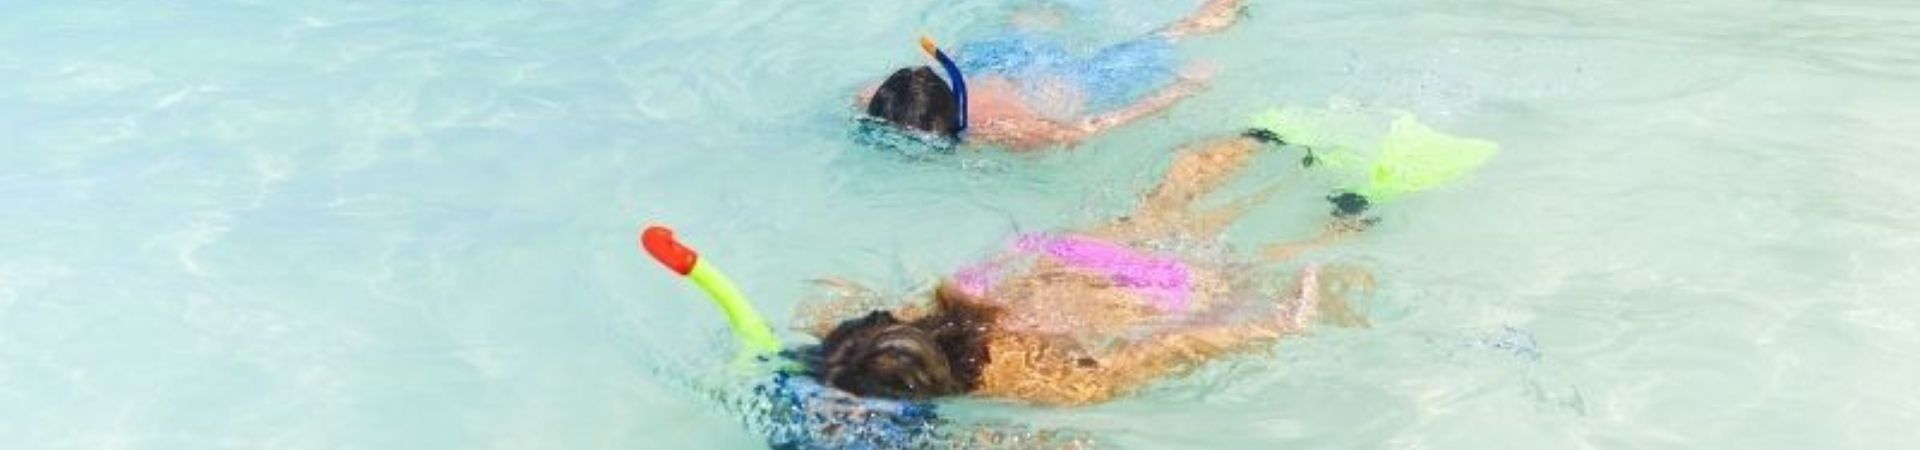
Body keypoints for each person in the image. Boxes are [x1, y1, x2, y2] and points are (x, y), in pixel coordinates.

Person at [791, 133, 1375, 406]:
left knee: (1256, 264)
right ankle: (1256, 139)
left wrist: (1279, 322)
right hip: (1063, 253)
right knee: (1158, 210)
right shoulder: (945, 298)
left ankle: (1348, 219)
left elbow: (1157, 351)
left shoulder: (1017, 380)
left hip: (1158, 293)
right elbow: (831, 296)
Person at [858, 0, 1246, 151]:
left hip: (1054, 76)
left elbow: (1086, 129)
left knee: (1177, 32)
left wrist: (1180, 90)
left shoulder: (1002, 126)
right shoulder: (876, 97)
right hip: (991, 58)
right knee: (1030, 18)